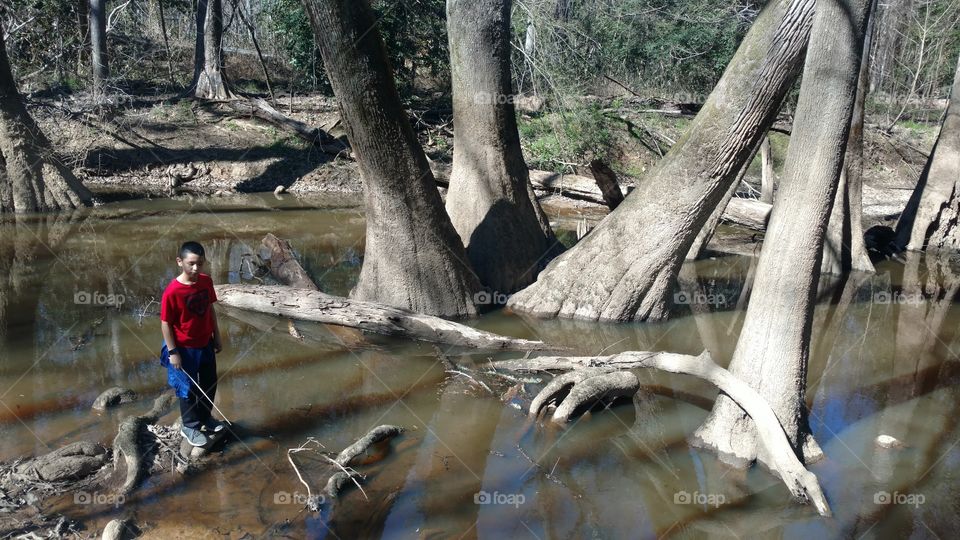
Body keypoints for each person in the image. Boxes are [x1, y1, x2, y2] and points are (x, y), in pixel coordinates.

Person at [160, 241, 225, 447]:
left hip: (205, 342)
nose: (196, 268)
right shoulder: (172, 291)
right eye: (191, 263)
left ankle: (206, 418)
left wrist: (217, 335)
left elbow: (210, 310)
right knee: (187, 388)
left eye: (200, 264)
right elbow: (166, 324)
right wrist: (173, 352)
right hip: (184, 348)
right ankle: (190, 426)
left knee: (209, 382)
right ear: (180, 262)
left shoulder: (206, 282)